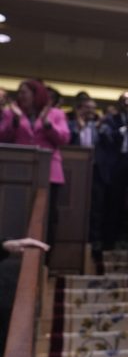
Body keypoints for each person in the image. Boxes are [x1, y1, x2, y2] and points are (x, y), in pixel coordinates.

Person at [0, 79, 70, 245]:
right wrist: (15, 121)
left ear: (35, 94)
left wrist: (47, 125)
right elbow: (3, 137)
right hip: (18, 171)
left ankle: (45, 257)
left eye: (24, 92)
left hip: (50, 172)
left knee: (47, 216)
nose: (21, 96)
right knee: (17, 212)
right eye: (19, 93)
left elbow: (64, 138)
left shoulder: (56, 114)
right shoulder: (11, 113)